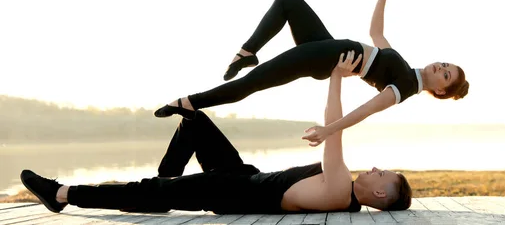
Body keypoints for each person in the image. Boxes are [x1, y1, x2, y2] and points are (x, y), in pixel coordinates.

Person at [21, 53, 412, 214]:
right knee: (195, 121)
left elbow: (334, 130)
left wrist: (335, 76)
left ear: (379, 193)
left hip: (231, 192)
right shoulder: (344, 196)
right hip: (244, 177)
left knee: (145, 192)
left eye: (383, 174)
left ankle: (60, 195)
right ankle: (166, 183)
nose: (377, 169)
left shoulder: (340, 188)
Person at [155, 0, 469, 146]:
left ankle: (190, 102)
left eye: (445, 74)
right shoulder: (406, 67)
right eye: (445, 64)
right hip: (326, 46)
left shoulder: (404, 87)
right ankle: (247, 51)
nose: (440, 67)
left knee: (253, 83)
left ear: (440, 90)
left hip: (324, 58)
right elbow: (376, 34)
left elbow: (366, 110)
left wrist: (329, 129)